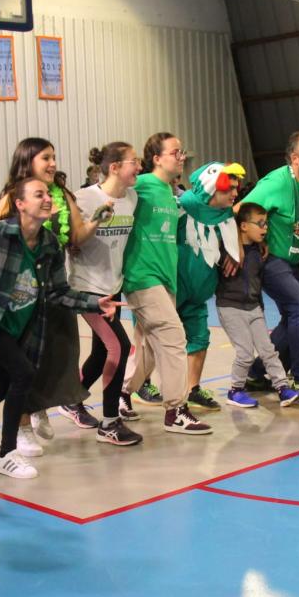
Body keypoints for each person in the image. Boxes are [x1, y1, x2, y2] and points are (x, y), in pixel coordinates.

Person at [0, 177, 118, 479]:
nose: (48, 199)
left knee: (1, 387)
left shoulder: (49, 244)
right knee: (23, 374)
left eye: (48, 194)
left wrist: (93, 303)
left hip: (20, 326)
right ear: (20, 204)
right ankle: (6, 454)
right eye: (39, 195)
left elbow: (57, 292)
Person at [0, 138, 113, 449]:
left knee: (60, 355)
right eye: (45, 157)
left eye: (54, 156)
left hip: (54, 289)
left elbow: (76, 236)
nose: (53, 163)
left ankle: (39, 405)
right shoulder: (12, 198)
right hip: (22, 295)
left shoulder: (62, 195)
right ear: (27, 160)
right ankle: (21, 427)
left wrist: (97, 220)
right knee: (24, 361)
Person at [120, 132, 213, 433]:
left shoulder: (171, 192)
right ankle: (176, 411)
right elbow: (112, 194)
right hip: (142, 276)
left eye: (182, 151)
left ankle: (121, 392)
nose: (181, 157)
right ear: (157, 158)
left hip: (165, 278)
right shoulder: (143, 184)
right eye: (175, 152)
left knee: (150, 346)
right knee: (173, 337)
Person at [237, 131, 299, 405]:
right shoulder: (276, 183)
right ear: (295, 159)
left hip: (293, 261)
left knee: (292, 315)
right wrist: (245, 248)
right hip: (271, 259)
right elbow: (239, 211)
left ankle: (256, 372)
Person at [61, 142, 143, 445]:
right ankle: (110, 422)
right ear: (115, 167)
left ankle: (71, 399)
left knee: (101, 352)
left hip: (113, 287)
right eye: (134, 161)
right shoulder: (83, 198)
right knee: (119, 347)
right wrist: (92, 222)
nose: (139, 167)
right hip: (88, 289)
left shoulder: (132, 198)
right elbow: (71, 239)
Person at [216, 202, 299, 408]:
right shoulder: (227, 248)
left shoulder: (259, 251)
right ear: (243, 226)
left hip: (254, 307)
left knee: (268, 351)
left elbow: (257, 281)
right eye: (260, 223)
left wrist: (260, 307)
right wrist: (234, 242)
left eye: (266, 224)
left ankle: (282, 387)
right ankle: (235, 390)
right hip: (230, 307)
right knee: (245, 354)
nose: (265, 228)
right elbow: (221, 223)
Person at [177, 161, 243, 409]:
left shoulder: (225, 215)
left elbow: (236, 239)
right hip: (172, 288)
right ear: (212, 188)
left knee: (200, 338)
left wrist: (236, 248)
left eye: (236, 188)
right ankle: (141, 384)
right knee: (155, 341)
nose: (235, 193)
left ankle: (192, 389)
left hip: (199, 291)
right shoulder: (183, 206)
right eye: (229, 189)